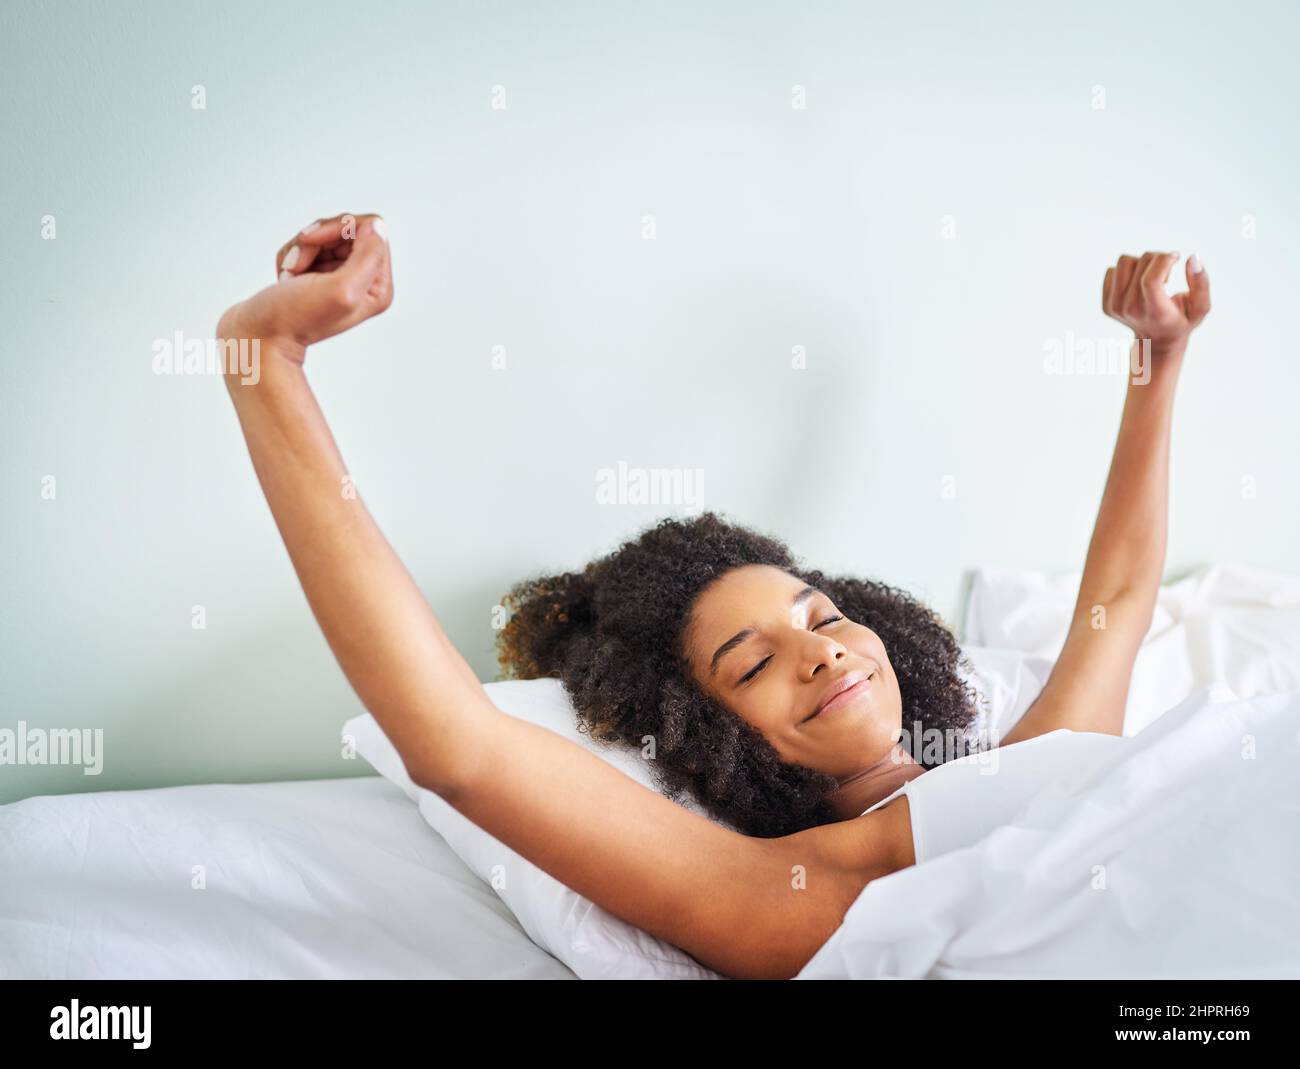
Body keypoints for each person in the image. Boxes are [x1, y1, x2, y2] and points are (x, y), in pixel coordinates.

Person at [215, 213, 1210, 978]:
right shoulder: (801, 892)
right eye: (755, 662)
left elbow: (1120, 597)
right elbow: (457, 750)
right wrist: (264, 364)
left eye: (818, 615)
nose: (818, 651)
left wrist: (1155, 353)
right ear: (708, 734)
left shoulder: (1044, 761)